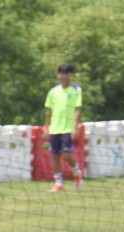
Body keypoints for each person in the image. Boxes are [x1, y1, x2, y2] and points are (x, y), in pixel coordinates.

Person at [44, 63, 83, 193]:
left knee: (66, 154)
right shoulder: (53, 92)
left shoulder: (76, 90)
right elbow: (48, 111)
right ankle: (58, 183)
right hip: (55, 128)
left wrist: (75, 127)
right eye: (61, 73)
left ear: (71, 75)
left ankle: (77, 171)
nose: (63, 76)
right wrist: (46, 127)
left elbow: (77, 109)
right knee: (55, 155)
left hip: (67, 128)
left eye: (66, 73)